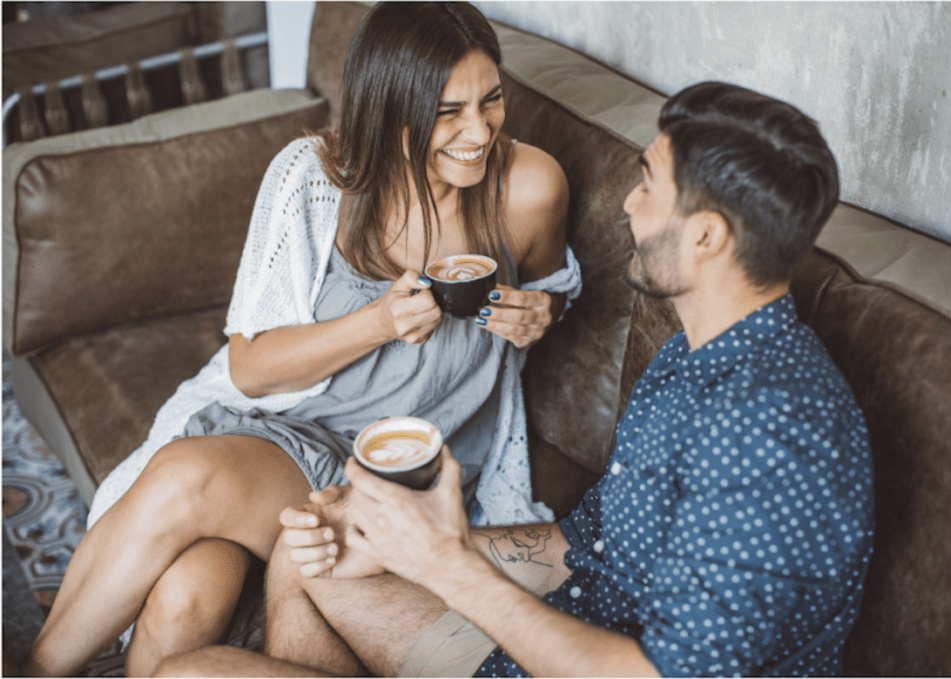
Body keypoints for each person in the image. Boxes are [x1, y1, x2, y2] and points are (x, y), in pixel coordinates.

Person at [156, 81, 875, 678]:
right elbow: (593, 540)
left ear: (706, 236)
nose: (627, 202)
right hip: (559, 630)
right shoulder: (696, 354)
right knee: (322, 544)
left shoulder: (774, 428)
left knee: (187, 675)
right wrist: (427, 538)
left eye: (649, 184)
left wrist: (445, 566)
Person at [23, 3, 582, 676]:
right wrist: (376, 322)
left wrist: (539, 313)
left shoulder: (530, 187)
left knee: (184, 592)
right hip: (292, 441)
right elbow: (250, 368)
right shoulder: (313, 179)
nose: (479, 131)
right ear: (391, 109)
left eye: (490, 100)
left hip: (404, 478)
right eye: (448, 112)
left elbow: (551, 294)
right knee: (183, 526)